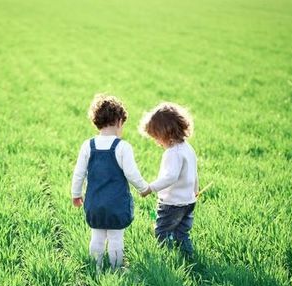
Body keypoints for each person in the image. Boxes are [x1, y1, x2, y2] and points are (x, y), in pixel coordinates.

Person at [71, 94, 149, 271]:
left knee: (97, 237)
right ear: (119, 121)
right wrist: (144, 188)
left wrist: (76, 194)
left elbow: (79, 173)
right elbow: (132, 174)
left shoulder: (87, 145)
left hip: (95, 202)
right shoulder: (122, 147)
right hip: (116, 204)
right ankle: (116, 269)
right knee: (116, 238)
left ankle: (95, 268)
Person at [139, 102, 198, 257]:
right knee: (182, 233)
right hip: (188, 202)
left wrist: (150, 188)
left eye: (157, 138)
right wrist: (195, 190)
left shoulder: (173, 153)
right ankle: (188, 256)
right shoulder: (187, 148)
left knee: (162, 232)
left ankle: (165, 258)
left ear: (166, 133)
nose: (157, 143)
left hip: (172, 204)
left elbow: (170, 177)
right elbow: (194, 172)